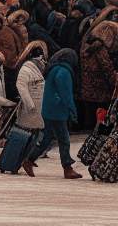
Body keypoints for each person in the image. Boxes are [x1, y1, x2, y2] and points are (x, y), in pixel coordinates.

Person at [26, 49, 82, 180]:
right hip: (57, 111)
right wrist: (73, 111)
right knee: (64, 140)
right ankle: (67, 168)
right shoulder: (64, 72)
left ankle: (29, 160)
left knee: (47, 139)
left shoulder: (55, 69)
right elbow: (66, 95)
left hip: (49, 109)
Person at [15, 42, 47, 176]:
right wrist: (30, 105)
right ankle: (25, 158)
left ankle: (28, 157)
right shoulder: (27, 68)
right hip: (31, 109)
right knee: (31, 134)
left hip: (37, 108)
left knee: (36, 133)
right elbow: (20, 85)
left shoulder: (36, 68)